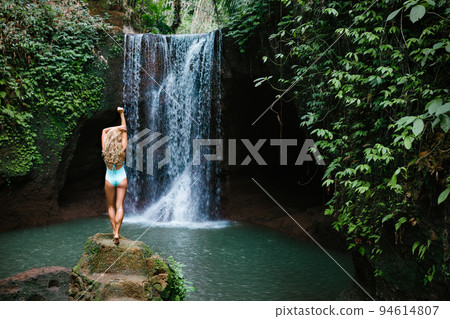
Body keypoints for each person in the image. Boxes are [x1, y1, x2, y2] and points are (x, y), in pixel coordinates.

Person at [101, 107, 127, 245]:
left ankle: (114, 232)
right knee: (120, 206)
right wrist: (121, 114)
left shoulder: (105, 149)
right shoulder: (123, 149)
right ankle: (118, 231)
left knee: (110, 206)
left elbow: (104, 131)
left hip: (109, 179)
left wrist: (114, 129)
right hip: (122, 177)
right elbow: (124, 129)